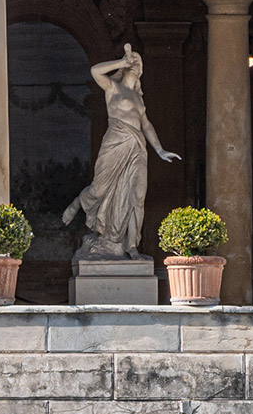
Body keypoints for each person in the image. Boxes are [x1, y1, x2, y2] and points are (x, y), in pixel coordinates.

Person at [62, 44, 180, 260]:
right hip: (115, 143)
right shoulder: (113, 88)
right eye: (131, 60)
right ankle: (79, 201)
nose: (134, 62)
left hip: (137, 148)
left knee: (137, 196)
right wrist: (122, 62)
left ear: (140, 70)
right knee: (99, 189)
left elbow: (146, 125)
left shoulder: (138, 99)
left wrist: (160, 150)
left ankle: (132, 246)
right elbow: (95, 71)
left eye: (137, 60)